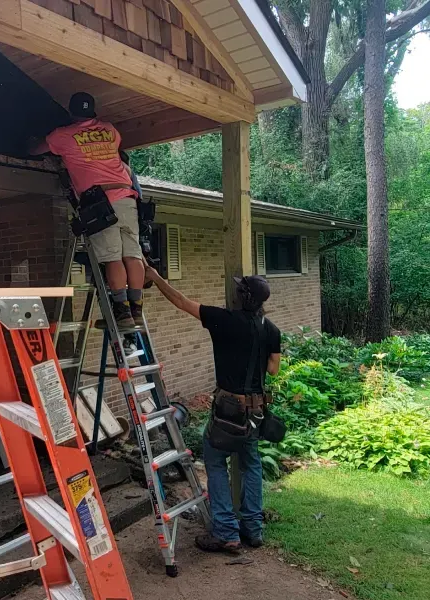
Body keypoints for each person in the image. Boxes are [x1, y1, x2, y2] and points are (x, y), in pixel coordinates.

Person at [144, 265, 281, 553]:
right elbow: (274, 369)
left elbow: (181, 301)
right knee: (251, 464)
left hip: (227, 410)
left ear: (243, 297)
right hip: (255, 412)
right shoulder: (271, 330)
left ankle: (226, 532)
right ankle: (253, 530)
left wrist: (155, 278)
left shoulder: (224, 320)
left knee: (216, 461)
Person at [31, 92, 144, 328]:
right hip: (126, 196)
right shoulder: (109, 130)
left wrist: (26, 143)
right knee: (132, 255)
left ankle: (122, 313)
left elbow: (37, 149)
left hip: (99, 200)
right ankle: (136, 311)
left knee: (112, 257)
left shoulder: (63, 135)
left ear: (72, 113)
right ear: (93, 112)